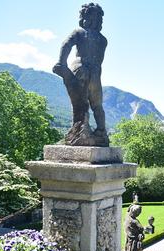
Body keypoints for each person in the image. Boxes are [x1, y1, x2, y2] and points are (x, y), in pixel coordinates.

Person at [53, 3, 108, 145]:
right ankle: (101, 131)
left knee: (79, 102)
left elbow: (66, 44)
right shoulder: (103, 40)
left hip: (81, 67)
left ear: (85, 16)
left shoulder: (79, 32)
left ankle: (80, 131)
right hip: (96, 73)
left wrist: (61, 63)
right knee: (97, 105)